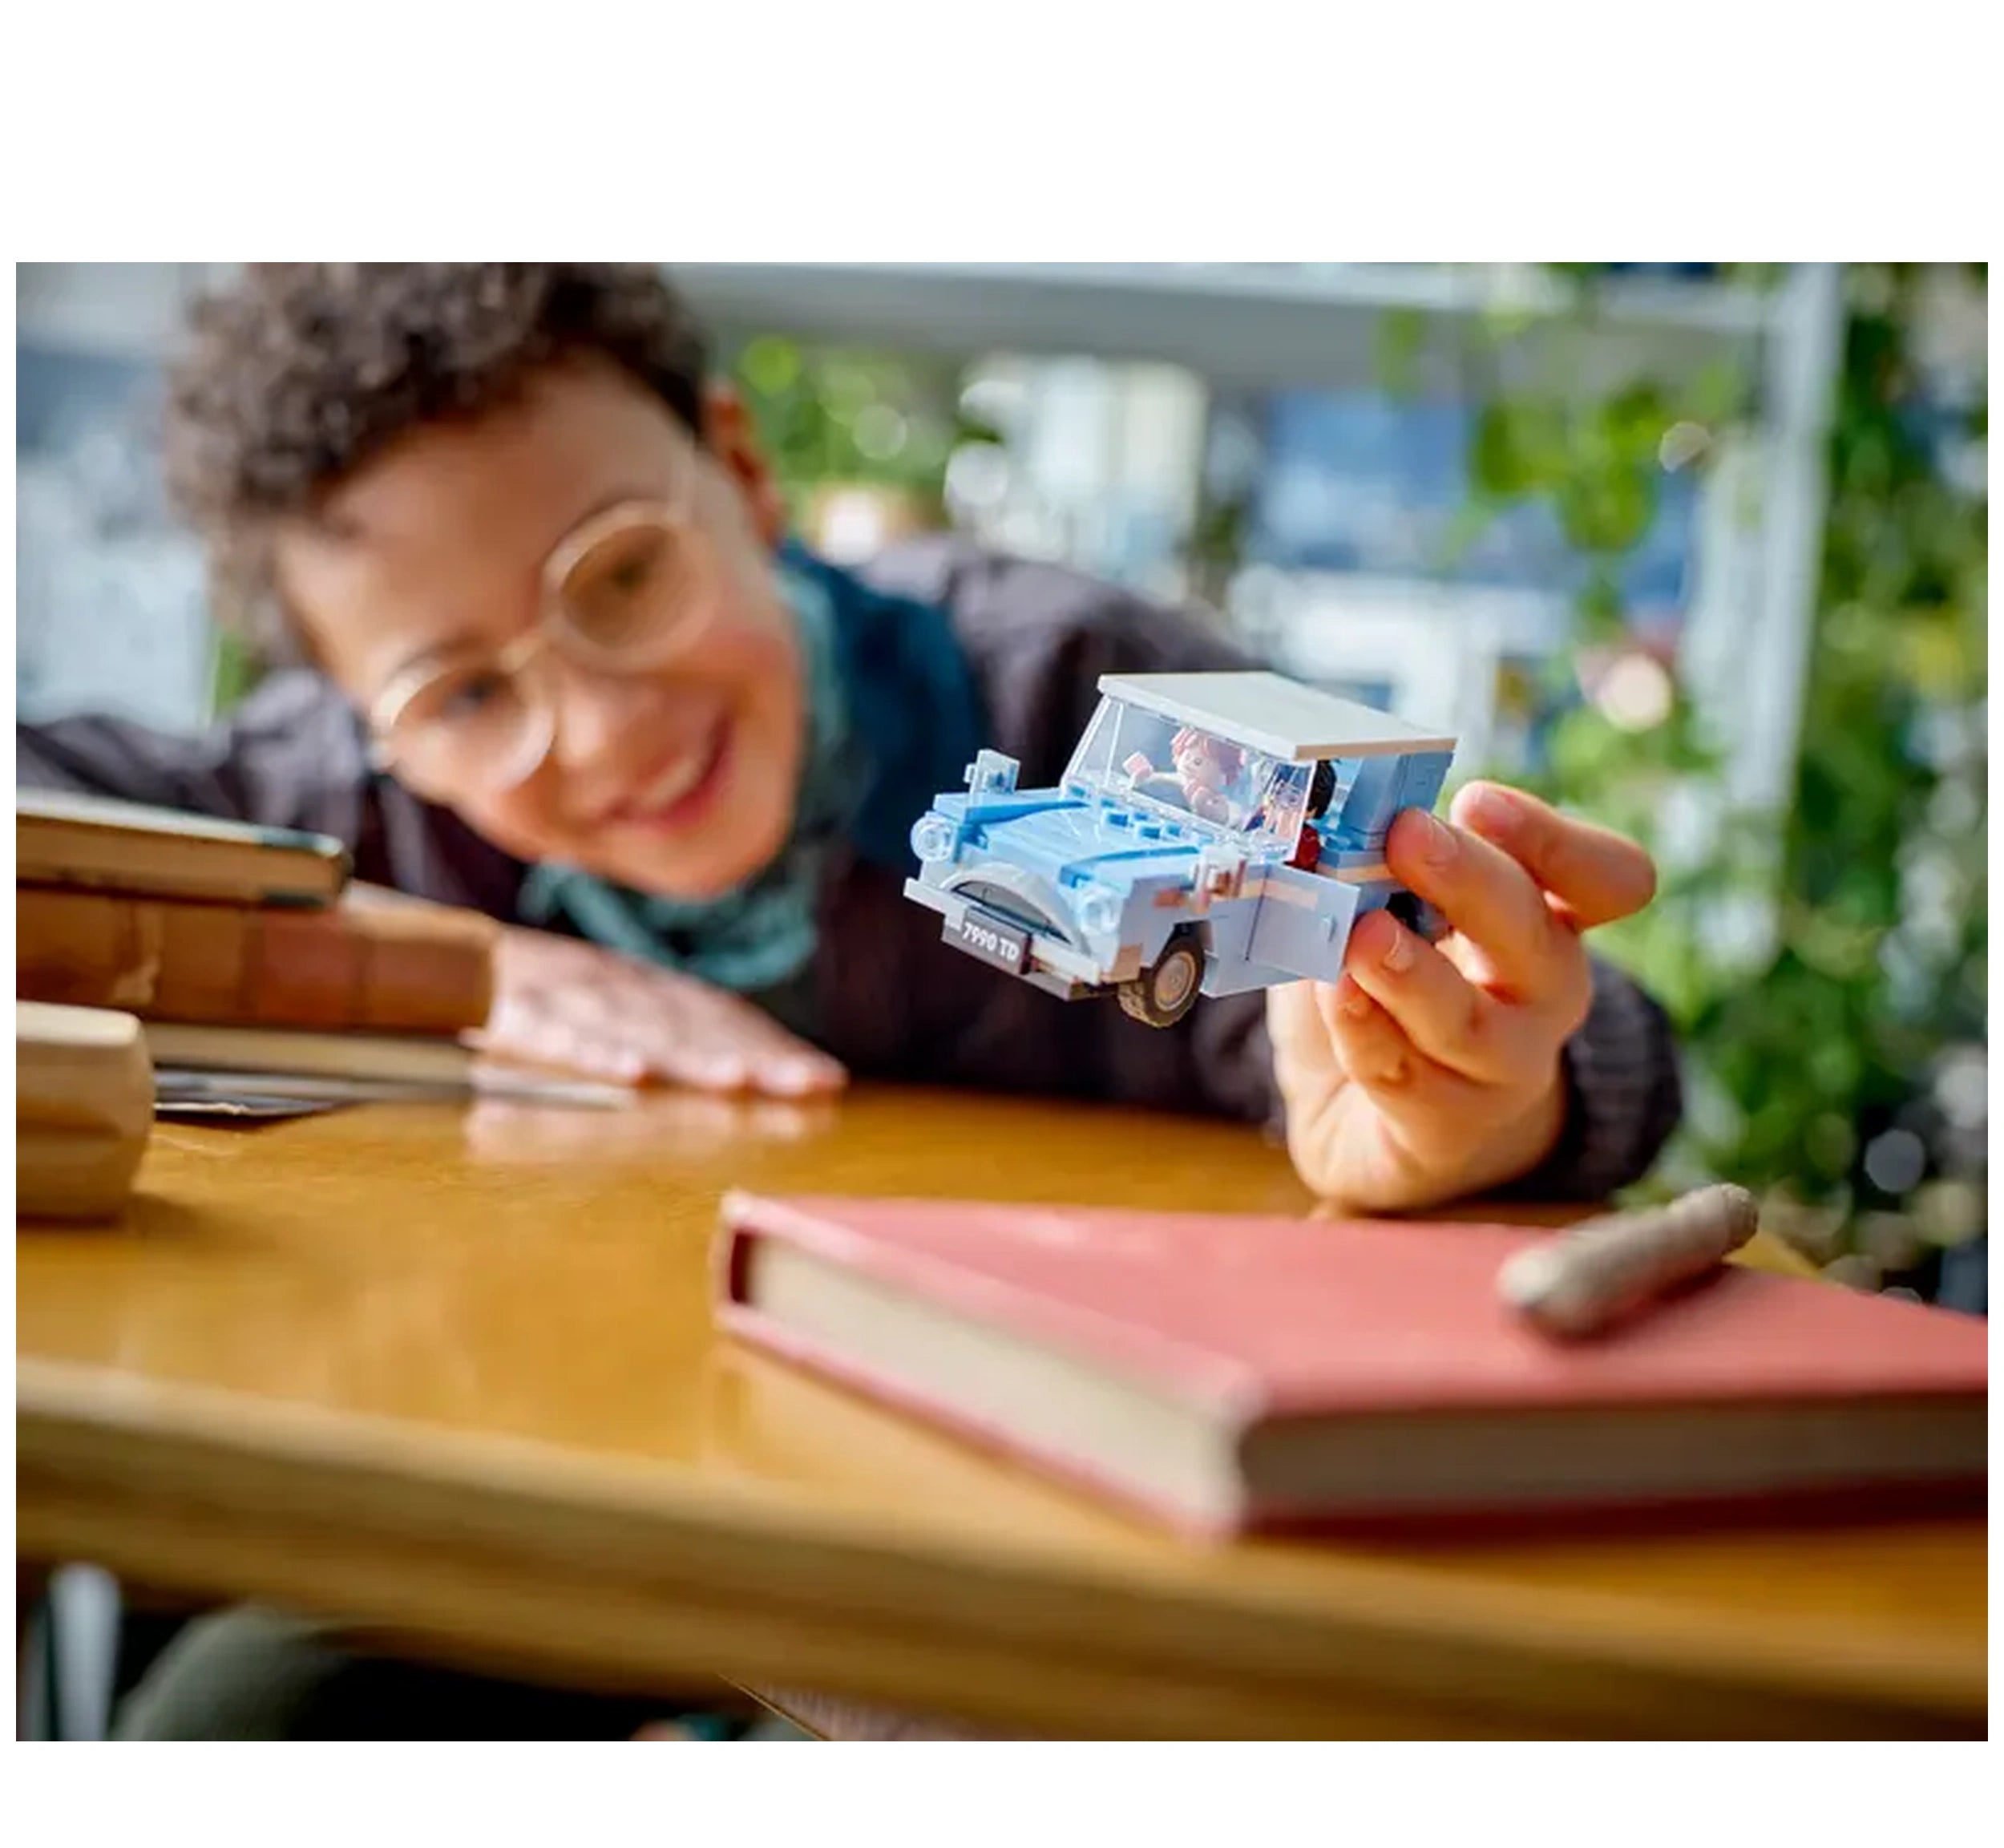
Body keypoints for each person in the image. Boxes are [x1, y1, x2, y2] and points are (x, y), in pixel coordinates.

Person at [19, 265, 1680, 1737]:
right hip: (542, 1488)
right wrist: (463, 959)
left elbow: (1567, 1043)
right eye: (460, 694)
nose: (594, 732)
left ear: (743, 477)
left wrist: (1468, 1087)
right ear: (368, 725)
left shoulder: (1071, 694)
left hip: (1001, 1522)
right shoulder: (368, 810)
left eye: (618, 579)